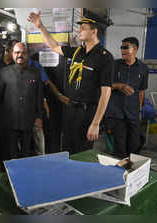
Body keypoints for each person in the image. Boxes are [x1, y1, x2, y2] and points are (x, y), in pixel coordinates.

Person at [28, 12, 114, 154]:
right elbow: (54, 46)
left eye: (83, 28)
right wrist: (40, 26)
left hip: (87, 113)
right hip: (70, 110)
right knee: (67, 150)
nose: (79, 30)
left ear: (94, 31)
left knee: (82, 153)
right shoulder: (77, 52)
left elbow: (106, 93)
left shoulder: (105, 58)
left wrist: (96, 123)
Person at [0, 42, 43, 160]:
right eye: (17, 52)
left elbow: (39, 97)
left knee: (26, 153)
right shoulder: (4, 72)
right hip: (10, 120)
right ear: (12, 54)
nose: (20, 55)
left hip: (28, 120)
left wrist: (39, 117)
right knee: (10, 153)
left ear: (28, 54)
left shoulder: (36, 73)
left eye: (23, 53)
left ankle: (25, 175)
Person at [105, 37, 149, 158]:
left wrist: (140, 110)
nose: (122, 50)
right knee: (120, 147)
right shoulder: (114, 65)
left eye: (126, 47)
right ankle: (120, 172)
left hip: (133, 112)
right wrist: (119, 85)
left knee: (134, 146)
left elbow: (141, 91)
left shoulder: (143, 68)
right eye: (121, 47)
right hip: (117, 113)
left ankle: (133, 172)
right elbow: (105, 85)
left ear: (135, 49)